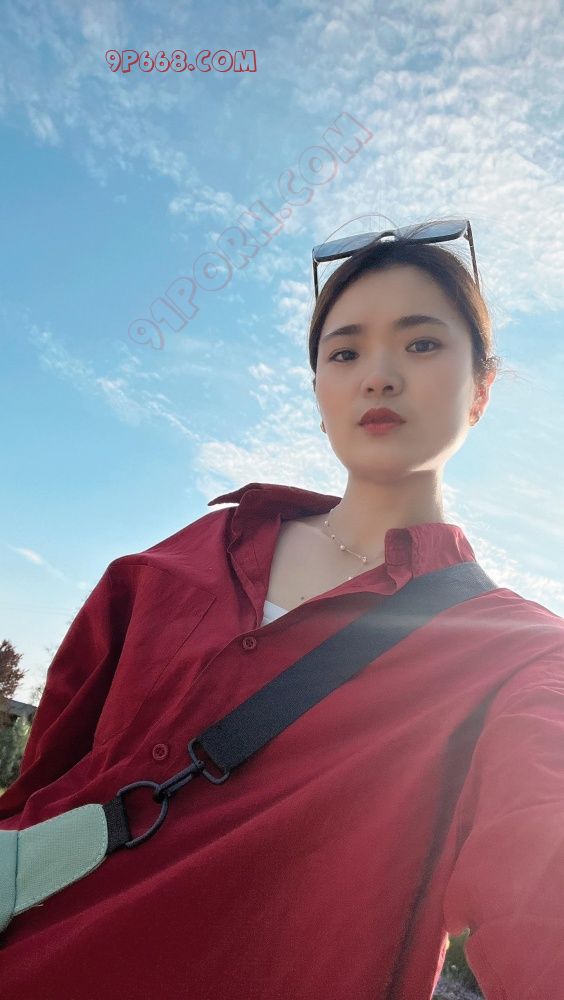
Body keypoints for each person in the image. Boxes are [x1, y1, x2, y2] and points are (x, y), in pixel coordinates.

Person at [1, 224, 563, 1000]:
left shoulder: (516, 653)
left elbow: (542, 873)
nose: (379, 377)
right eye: (345, 353)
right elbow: (43, 784)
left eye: (422, 344)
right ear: (319, 394)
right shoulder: (193, 553)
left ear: (482, 389)